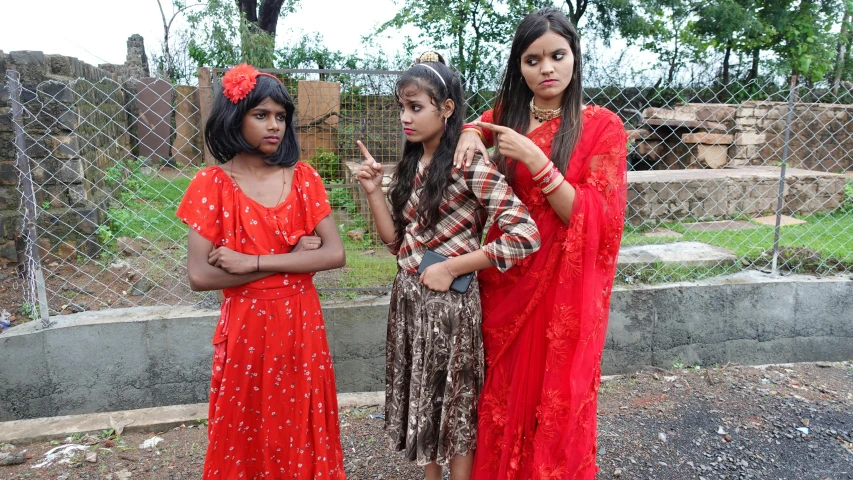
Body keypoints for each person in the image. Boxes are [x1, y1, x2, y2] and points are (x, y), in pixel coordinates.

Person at [453, 8, 628, 480]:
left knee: (551, 395)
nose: (546, 68)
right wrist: (469, 132)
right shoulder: (505, 116)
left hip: (561, 292)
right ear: (519, 67)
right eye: (532, 60)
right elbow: (476, 126)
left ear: (574, 58)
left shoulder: (601, 127)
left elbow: (598, 220)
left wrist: (537, 161)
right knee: (500, 388)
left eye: (557, 55)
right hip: (505, 279)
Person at [356, 52, 541, 480]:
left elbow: (525, 234)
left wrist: (456, 266)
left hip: (451, 308)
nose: (405, 117)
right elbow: (396, 245)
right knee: (425, 400)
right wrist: (373, 192)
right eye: (401, 107)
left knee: (454, 404)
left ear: (447, 108)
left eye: (416, 107)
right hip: (409, 301)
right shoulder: (410, 163)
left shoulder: (470, 162)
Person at [176, 63, 347, 479]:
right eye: (261, 115)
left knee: (301, 421)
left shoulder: (302, 178)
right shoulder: (211, 184)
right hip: (246, 329)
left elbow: (334, 254)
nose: (274, 126)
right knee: (245, 424)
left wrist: (252, 261)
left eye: (280, 117)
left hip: (302, 325)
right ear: (235, 117)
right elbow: (200, 276)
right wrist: (292, 258)